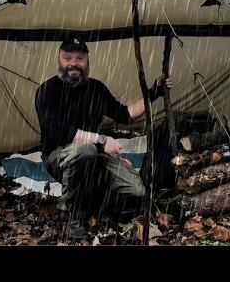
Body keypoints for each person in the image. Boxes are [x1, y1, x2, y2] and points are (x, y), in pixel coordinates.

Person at [34, 37, 173, 239]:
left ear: (87, 61)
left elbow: (125, 114)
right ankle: (72, 215)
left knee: (137, 191)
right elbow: (57, 130)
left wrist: (154, 91)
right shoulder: (47, 90)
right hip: (59, 156)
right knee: (86, 151)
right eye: (68, 58)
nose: (73, 63)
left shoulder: (96, 89)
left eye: (79, 58)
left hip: (94, 154)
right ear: (59, 59)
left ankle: (98, 205)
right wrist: (100, 140)